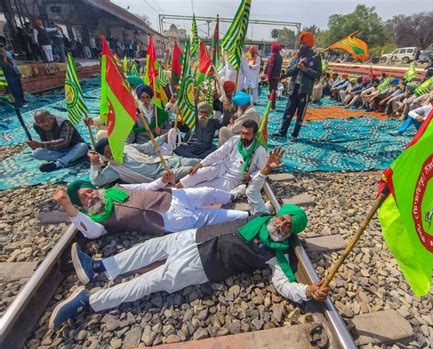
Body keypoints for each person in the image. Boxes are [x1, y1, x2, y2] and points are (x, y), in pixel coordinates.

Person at [48, 148, 329, 329]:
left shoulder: (276, 254)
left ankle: (88, 302)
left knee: (147, 283)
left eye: (288, 226)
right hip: (191, 237)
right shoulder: (259, 215)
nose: (282, 223)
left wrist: (306, 292)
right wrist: (266, 168)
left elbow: (284, 284)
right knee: (145, 250)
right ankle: (100, 267)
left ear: (291, 233)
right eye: (283, 217)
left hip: (202, 265)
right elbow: (254, 189)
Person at [50, 171, 248, 241]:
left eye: (89, 191)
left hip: (172, 196)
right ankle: (248, 215)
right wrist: (69, 207)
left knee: (208, 193)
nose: (90, 196)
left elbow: (146, 186)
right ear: (82, 206)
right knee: (210, 218)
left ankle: (232, 194)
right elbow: (91, 232)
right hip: (166, 220)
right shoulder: (96, 219)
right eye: (84, 198)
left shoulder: (114, 188)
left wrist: (162, 180)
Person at [177, 120, 267, 192]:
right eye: (242, 133)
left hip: (232, 179)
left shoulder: (259, 150)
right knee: (198, 173)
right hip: (221, 167)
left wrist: (251, 176)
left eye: (247, 134)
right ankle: (175, 188)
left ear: (254, 135)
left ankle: (180, 194)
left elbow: (262, 170)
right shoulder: (235, 140)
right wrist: (200, 165)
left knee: (204, 189)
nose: (243, 136)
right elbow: (219, 153)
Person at [272, 32, 322, 142]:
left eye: (304, 43)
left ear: (309, 44)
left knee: (300, 115)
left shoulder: (316, 57)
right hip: (293, 89)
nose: (301, 45)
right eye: (301, 43)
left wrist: (305, 69)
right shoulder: (297, 56)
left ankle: (294, 135)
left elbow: (318, 74)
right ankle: (282, 131)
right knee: (288, 111)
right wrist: (298, 65)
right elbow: (288, 71)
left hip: (305, 90)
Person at [88, 137, 197, 186]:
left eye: (111, 148)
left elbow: (147, 147)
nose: (111, 152)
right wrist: (93, 163)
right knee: (192, 170)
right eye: (107, 152)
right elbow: (96, 181)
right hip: (163, 175)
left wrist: (163, 137)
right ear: (104, 156)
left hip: (168, 161)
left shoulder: (128, 147)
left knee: (196, 162)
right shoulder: (114, 168)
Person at [0, 37, 26, 108]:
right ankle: (18, 105)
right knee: (14, 91)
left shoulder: (6, 54)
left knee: (18, 90)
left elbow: (12, 64)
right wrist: (4, 57)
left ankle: (22, 102)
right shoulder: (3, 56)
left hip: (14, 75)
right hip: (7, 77)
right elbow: (4, 66)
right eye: (1, 47)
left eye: (2, 46)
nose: (2, 48)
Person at [265, 43, 283, 109]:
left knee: (271, 91)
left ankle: (271, 105)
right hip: (277, 76)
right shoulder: (280, 57)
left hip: (272, 76)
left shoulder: (272, 55)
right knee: (274, 91)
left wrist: (267, 76)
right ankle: (273, 105)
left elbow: (270, 67)